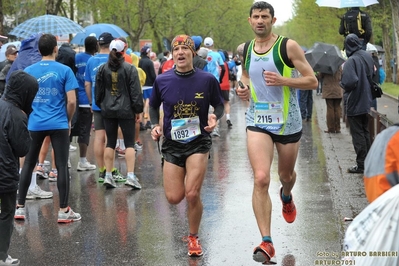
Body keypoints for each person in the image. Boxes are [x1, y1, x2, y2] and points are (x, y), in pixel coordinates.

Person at [236, 2, 318, 264]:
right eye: (256, 17)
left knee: (286, 175)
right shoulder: (247, 49)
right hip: (258, 119)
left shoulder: (287, 46)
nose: (260, 21)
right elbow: (246, 75)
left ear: (273, 20)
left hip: (287, 123)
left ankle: (286, 195)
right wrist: (242, 88)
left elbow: (312, 80)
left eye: (265, 17)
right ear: (249, 21)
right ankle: (267, 241)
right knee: (261, 178)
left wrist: (284, 80)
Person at [149, 34, 224, 257]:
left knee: (192, 194)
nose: (180, 52)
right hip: (172, 143)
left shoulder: (206, 80)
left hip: (198, 141)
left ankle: (193, 237)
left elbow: (219, 106)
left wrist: (214, 118)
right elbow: (153, 107)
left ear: (192, 53)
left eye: (185, 48)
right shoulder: (162, 80)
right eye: (176, 49)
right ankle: (190, 222)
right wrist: (155, 125)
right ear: (172, 54)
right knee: (174, 197)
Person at [14, 34, 81, 223]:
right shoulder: (65, 70)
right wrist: (68, 121)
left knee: (28, 164)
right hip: (59, 123)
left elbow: (22, 99)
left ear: (39, 50)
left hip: (35, 123)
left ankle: (19, 208)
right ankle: (63, 210)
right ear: (55, 49)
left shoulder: (28, 71)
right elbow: (72, 101)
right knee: (61, 166)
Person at [0, 70, 38, 266]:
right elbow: (23, 149)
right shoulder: (17, 115)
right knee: (6, 213)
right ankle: (1, 255)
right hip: (5, 174)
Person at [95, 39, 143, 189]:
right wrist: (138, 109)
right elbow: (135, 92)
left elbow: (98, 92)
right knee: (129, 143)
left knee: (110, 142)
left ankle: (108, 175)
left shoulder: (102, 69)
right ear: (124, 51)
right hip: (126, 109)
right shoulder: (130, 68)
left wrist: (101, 104)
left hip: (108, 109)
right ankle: (130, 175)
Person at [85, 32, 125, 183]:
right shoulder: (115, 59)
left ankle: (101, 170)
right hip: (113, 104)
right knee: (111, 138)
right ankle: (110, 170)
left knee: (99, 137)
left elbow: (87, 84)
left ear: (98, 45)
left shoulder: (91, 61)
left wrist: (91, 102)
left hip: (97, 103)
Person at [340, 33, 374, 174]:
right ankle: (370, 162)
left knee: (358, 134)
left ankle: (361, 165)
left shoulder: (351, 61)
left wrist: (342, 82)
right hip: (367, 99)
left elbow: (349, 82)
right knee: (365, 132)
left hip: (355, 100)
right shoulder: (367, 56)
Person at [73, 36, 98, 171]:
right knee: (85, 131)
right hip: (86, 100)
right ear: (95, 47)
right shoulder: (94, 60)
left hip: (74, 98)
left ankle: (65, 161)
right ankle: (82, 161)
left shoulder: (76, 57)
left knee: (70, 129)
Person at [318, 67, 343, 133]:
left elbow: (320, 76)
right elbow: (342, 75)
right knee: (337, 108)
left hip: (328, 90)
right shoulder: (339, 66)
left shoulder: (325, 66)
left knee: (330, 109)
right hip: (338, 89)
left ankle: (331, 128)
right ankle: (338, 128)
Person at [139, 45, 156, 130]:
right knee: (148, 103)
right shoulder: (149, 62)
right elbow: (153, 75)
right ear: (147, 52)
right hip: (149, 85)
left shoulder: (140, 61)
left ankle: (141, 122)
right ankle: (148, 121)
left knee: (142, 103)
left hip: (141, 85)